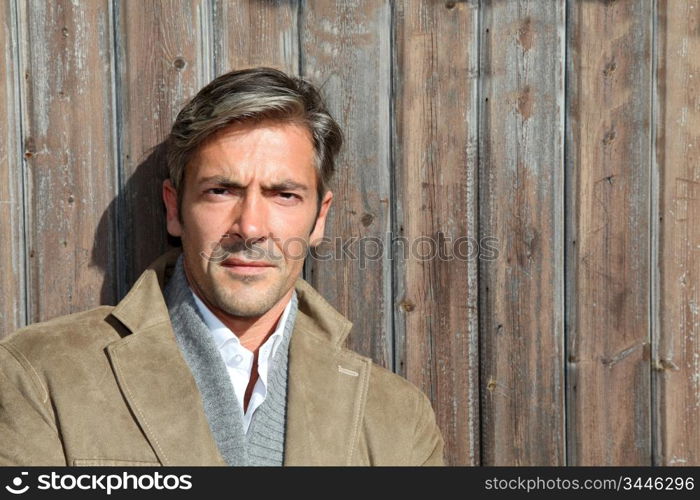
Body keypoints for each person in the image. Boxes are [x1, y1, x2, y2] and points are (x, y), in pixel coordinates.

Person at [0, 67, 444, 466]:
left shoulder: (398, 420)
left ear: (319, 218)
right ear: (174, 209)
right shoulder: (40, 377)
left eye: (283, 194)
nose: (250, 227)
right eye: (221, 191)